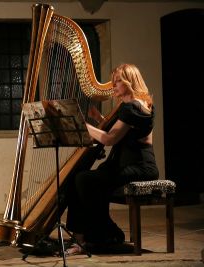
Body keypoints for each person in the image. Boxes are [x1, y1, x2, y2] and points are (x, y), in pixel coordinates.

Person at [65, 63, 159, 255]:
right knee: (81, 179)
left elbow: (110, 139)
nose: (113, 85)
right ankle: (91, 237)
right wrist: (99, 117)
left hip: (139, 167)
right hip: (126, 164)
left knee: (83, 179)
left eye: (118, 81)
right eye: (113, 81)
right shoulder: (133, 105)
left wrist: (82, 124)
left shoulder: (133, 107)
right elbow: (123, 132)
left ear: (129, 82)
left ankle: (102, 233)